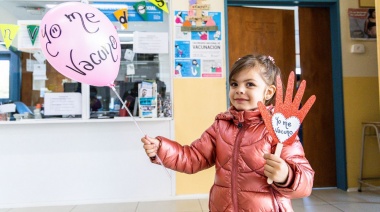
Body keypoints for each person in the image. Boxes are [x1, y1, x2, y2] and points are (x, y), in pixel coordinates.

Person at [141, 54, 314, 211]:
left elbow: (305, 180)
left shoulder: (278, 129)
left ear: (268, 92)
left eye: (250, 84)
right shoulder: (221, 125)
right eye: (234, 84)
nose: (239, 89)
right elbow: (193, 157)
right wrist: (162, 149)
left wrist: (287, 176)